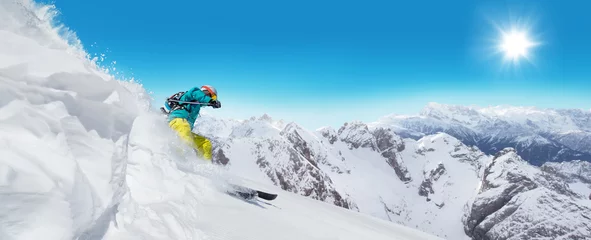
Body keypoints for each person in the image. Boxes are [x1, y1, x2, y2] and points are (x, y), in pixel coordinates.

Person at [164, 85, 221, 161]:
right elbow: (195, 93)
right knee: (185, 138)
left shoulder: (197, 104)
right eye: (212, 96)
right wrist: (210, 101)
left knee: (205, 143)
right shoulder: (191, 95)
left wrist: (210, 103)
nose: (211, 98)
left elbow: (202, 101)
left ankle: (205, 166)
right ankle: (179, 161)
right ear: (206, 92)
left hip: (184, 128)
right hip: (177, 121)